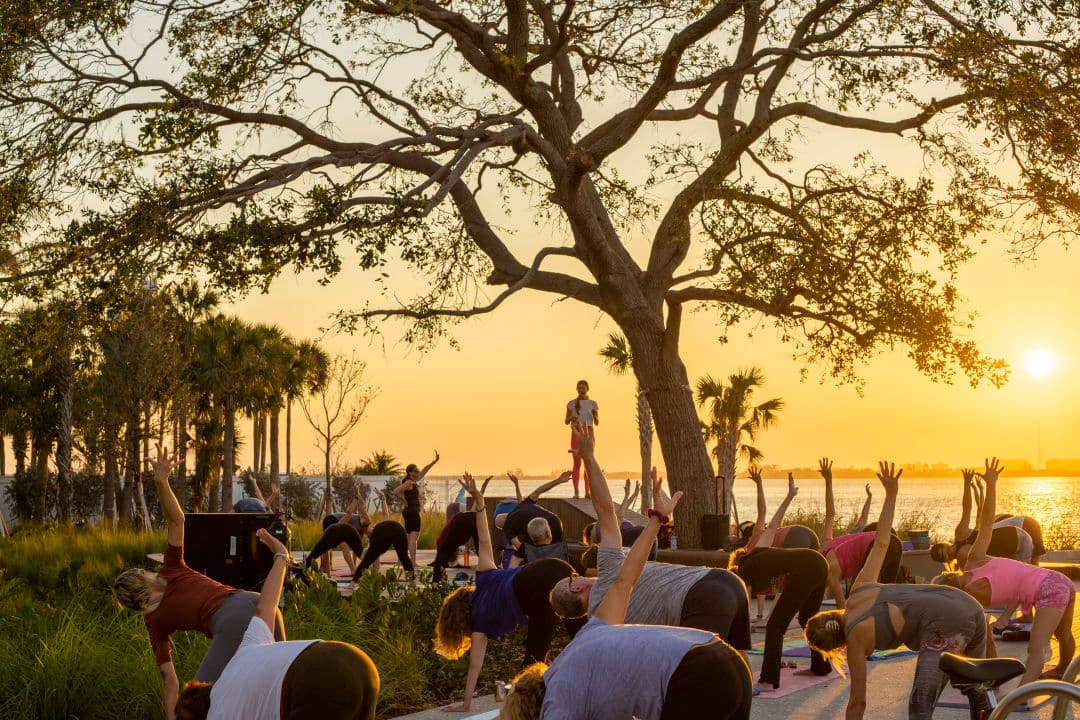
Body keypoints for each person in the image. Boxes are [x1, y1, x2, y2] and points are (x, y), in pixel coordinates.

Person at [501, 435, 752, 720]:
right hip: (723, 657)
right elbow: (625, 570)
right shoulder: (598, 628)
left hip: (693, 670)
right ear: (578, 584)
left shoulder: (560, 696)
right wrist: (657, 518)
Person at [112, 445, 285, 720]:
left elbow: (170, 680)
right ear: (145, 575)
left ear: (134, 605)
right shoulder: (171, 567)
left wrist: (172, 717)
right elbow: (178, 520)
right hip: (262, 604)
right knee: (277, 693)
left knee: (194, 706)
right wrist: (161, 482)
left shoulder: (154, 622)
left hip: (231, 621)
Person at [804, 461, 988, 720]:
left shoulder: (855, 639)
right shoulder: (859, 590)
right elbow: (882, 542)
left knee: (920, 707)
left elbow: (858, 702)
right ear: (831, 615)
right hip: (966, 604)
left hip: (946, 622)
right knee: (972, 687)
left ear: (834, 646)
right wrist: (891, 493)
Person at [549, 433, 752, 659]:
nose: (578, 576)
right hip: (724, 582)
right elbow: (605, 510)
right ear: (576, 587)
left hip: (704, 596)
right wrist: (589, 456)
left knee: (715, 672)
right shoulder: (607, 574)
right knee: (739, 664)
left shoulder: (606, 623)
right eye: (573, 576)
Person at [174, 529, 379, 720]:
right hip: (357, 661)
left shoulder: (219, 714)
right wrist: (281, 555)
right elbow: (266, 606)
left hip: (316, 683)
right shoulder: (245, 652)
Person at [435, 474, 585, 713]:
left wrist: (466, 704)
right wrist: (480, 501)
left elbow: (475, 666)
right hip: (554, 567)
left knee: (533, 662)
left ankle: (525, 710)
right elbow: (484, 540)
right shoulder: (483, 578)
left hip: (532, 587)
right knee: (582, 634)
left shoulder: (479, 626)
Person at [931, 458, 1075, 685]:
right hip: (1057, 581)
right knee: (1062, 634)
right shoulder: (974, 562)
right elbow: (987, 523)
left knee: (1036, 648)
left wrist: (990, 484)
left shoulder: (972, 574)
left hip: (1049, 588)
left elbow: (986, 521)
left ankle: (1023, 694)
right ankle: (1062, 671)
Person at [728, 475, 831, 692]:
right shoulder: (758, 550)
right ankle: (820, 666)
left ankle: (768, 680)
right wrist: (790, 495)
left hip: (809, 566)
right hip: (819, 562)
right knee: (806, 618)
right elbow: (774, 525)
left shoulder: (744, 572)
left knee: (775, 626)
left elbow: (742, 606)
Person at [818, 457, 902, 607]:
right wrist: (828, 480)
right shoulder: (826, 544)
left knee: (857, 597)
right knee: (886, 594)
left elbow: (841, 605)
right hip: (893, 542)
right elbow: (830, 514)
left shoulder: (827, 570)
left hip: (878, 545)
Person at [739, 467, 819, 622]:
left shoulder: (755, 549)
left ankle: (773, 619)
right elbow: (763, 511)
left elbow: (747, 590)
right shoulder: (760, 535)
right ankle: (806, 617)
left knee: (787, 581)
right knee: (804, 577)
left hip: (795, 538)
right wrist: (759, 484)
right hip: (809, 535)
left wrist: (746, 616)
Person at [929, 468, 1038, 567]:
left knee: (1020, 574)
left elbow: (967, 508)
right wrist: (969, 484)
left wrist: (966, 484)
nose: (949, 550)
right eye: (946, 552)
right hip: (1017, 538)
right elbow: (969, 509)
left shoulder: (960, 536)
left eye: (946, 548)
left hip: (1018, 538)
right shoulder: (961, 540)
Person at [496, 471, 570, 566]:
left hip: (542, 530)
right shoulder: (521, 505)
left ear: (502, 527)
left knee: (523, 554)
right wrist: (558, 480)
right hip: (555, 521)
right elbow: (538, 491)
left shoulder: (507, 528)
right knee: (559, 553)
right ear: (506, 514)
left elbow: (517, 544)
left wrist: (528, 553)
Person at [305, 484, 370, 576]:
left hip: (339, 527)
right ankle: (350, 570)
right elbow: (353, 509)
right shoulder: (351, 519)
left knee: (329, 546)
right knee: (338, 545)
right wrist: (357, 493)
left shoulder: (358, 531)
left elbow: (356, 550)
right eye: (364, 517)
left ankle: (325, 567)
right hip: (331, 520)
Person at [393, 451, 439, 570]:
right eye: (415, 471)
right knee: (414, 537)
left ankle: (401, 561)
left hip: (409, 511)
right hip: (412, 511)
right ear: (410, 472)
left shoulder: (411, 481)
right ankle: (412, 562)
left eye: (417, 471)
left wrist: (434, 462)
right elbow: (395, 491)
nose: (418, 473)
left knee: (408, 537)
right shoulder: (408, 482)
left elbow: (424, 470)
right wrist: (404, 501)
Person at [564, 380, 599, 498]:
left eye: (583, 387)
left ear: (587, 388)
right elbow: (565, 421)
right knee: (577, 463)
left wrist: (594, 415)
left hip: (589, 432)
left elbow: (597, 422)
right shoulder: (571, 403)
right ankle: (576, 492)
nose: (581, 389)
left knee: (588, 462)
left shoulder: (593, 403)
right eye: (579, 387)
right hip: (576, 432)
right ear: (577, 389)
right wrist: (571, 417)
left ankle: (587, 492)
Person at [351, 519, 415, 583]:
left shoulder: (376, 535)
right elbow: (375, 558)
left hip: (395, 532)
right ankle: (412, 582)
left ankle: (353, 583)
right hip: (399, 529)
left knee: (367, 560)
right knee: (404, 558)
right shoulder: (378, 529)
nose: (367, 536)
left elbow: (369, 560)